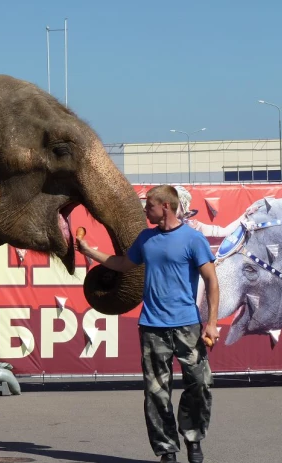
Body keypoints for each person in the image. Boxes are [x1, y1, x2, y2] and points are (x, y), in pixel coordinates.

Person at [76, 185, 219, 463]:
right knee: (156, 393)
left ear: (165, 206)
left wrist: (211, 322)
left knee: (200, 384)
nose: (145, 211)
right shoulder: (146, 239)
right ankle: (167, 449)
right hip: (152, 327)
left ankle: (193, 437)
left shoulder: (193, 239)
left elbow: (212, 280)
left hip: (187, 325)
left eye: (149, 206)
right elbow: (121, 264)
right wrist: (90, 252)